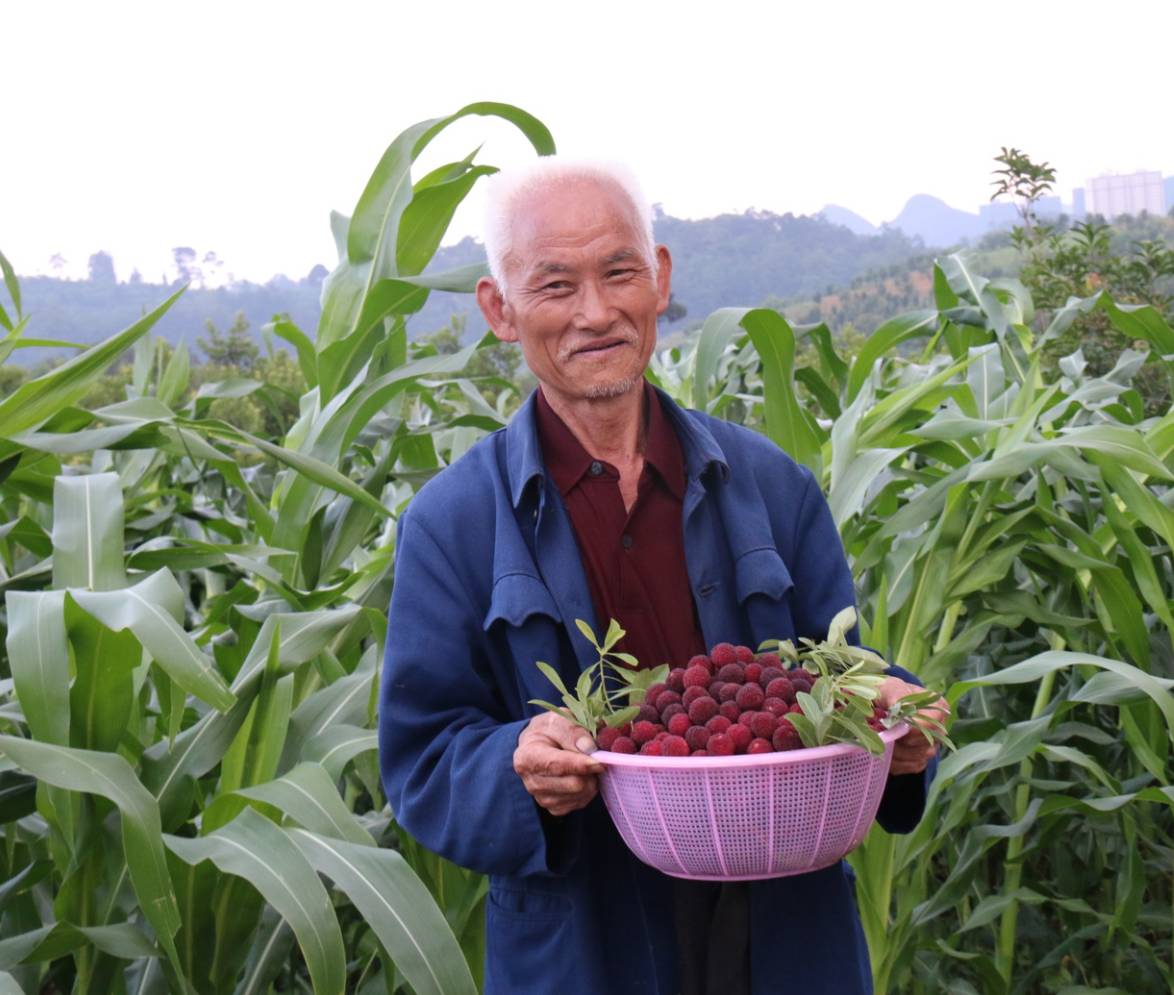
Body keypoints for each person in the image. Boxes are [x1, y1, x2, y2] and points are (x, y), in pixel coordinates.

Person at [378, 158, 947, 995]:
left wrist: (902, 729)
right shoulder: (452, 524)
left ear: (661, 278)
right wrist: (515, 763)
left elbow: (850, 676)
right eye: (555, 285)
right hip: (586, 946)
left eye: (619, 273)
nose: (596, 312)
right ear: (500, 310)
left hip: (784, 931)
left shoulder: (771, 484)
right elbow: (423, 760)